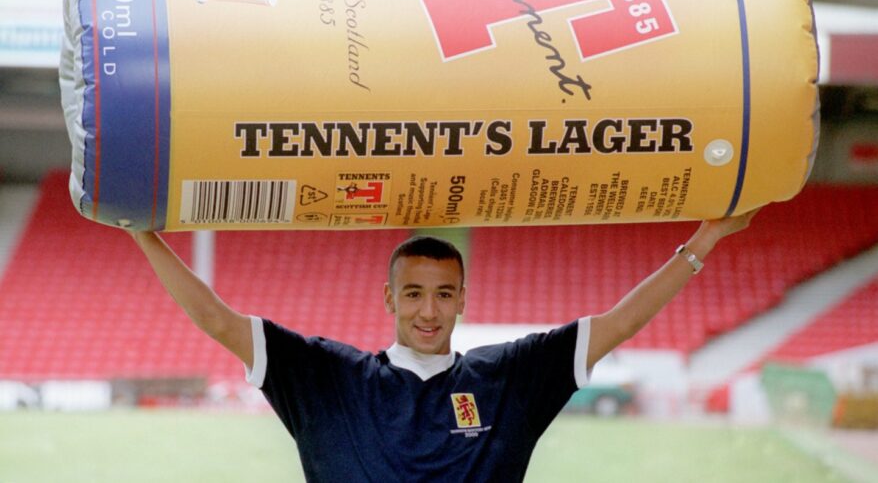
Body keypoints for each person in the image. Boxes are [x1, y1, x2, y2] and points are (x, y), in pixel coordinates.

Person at [130, 210, 757, 481]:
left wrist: (704, 240)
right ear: (389, 299)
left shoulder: (508, 376)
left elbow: (618, 323)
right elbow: (216, 320)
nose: (428, 310)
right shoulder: (328, 375)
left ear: (462, 299)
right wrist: (145, 238)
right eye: (413, 294)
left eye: (442, 294)